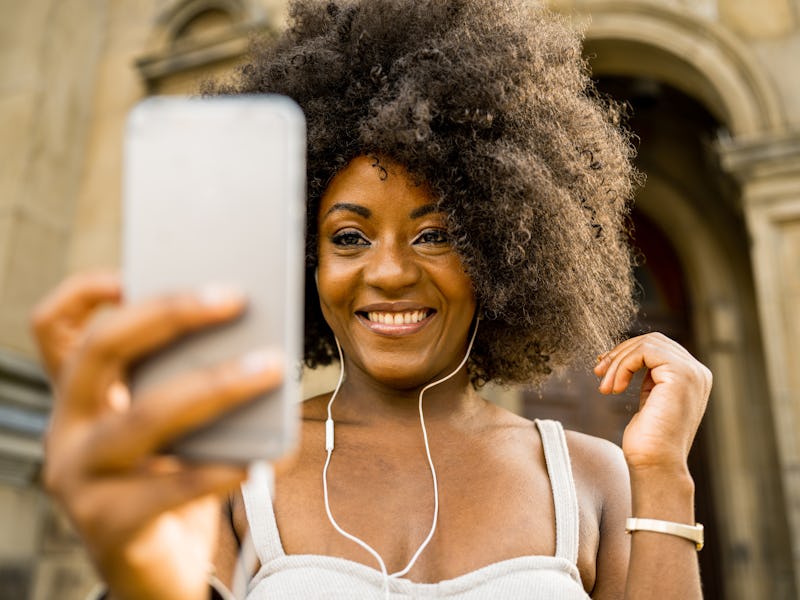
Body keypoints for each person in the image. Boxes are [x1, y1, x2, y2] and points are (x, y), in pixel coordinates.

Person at [31, 0, 711, 598]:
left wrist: (664, 475)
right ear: (306, 258)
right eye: (350, 236)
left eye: (435, 233)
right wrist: (139, 566)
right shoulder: (236, 469)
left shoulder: (593, 476)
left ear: (503, 251)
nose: (388, 273)